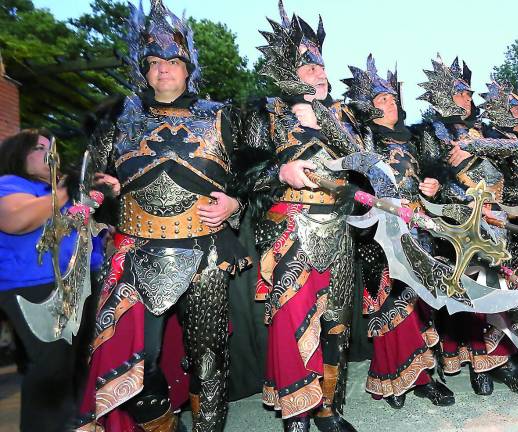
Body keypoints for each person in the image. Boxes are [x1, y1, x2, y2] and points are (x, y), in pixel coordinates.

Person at [76, 1, 249, 430]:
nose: (163, 69)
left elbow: (252, 175)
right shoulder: (118, 117)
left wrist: (234, 204)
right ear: (144, 69)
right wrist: (104, 194)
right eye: (154, 62)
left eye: (172, 61)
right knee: (138, 357)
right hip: (137, 252)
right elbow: (91, 183)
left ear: (188, 67)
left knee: (208, 354)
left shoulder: (221, 115)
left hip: (205, 250)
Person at [247, 2, 363, 430]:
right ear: (288, 71)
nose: (319, 72)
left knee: (336, 322)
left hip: (341, 228)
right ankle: (296, 413)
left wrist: (321, 116)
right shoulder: (268, 113)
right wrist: (280, 170)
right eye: (307, 66)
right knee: (292, 316)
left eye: (321, 66)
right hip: (292, 227)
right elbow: (240, 171)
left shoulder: (345, 115)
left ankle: (328, 409)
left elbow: (362, 164)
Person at [417, 56, 518, 397]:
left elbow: (514, 148)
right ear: (441, 96)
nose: (466, 99)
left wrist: (471, 144)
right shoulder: (430, 132)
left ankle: (506, 361)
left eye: (469, 94)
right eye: (459, 94)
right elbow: (431, 178)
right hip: (464, 223)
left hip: (500, 219)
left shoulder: (483, 131)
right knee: (478, 292)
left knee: (506, 291)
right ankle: (479, 363)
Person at [341, 54, 455, 409]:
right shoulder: (364, 140)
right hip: (380, 231)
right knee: (389, 303)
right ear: (368, 108)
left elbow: (430, 175)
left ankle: (424, 378)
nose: (391, 103)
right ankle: (392, 378)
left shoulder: (415, 138)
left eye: (392, 98)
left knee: (422, 302)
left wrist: (432, 185)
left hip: (419, 227)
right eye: (382, 99)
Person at [0, 129, 103, 431]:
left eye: (53, 149)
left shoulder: (54, 194)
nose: (50, 155)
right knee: (51, 371)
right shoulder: (9, 184)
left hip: (79, 284)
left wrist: (100, 196)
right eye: (40, 148)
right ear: (18, 155)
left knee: (78, 367)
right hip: (35, 286)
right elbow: (16, 220)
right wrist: (70, 190)